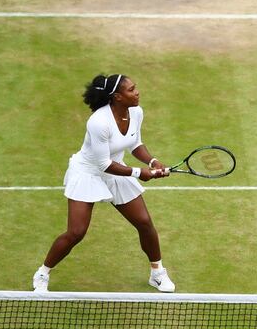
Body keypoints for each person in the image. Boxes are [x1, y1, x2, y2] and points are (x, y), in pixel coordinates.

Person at [32, 74, 176, 292]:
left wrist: (152, 161)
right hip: (88, 173)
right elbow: (102, 164)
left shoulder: (136, 112)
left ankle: (157, 273)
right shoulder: (98, 122)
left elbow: (135, 143)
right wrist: (140, 172)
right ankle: (43, 272)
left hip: (116, 168)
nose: (137, 92)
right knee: (76, 233)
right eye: (131, 90)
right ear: (117, 97)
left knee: (144, 222)